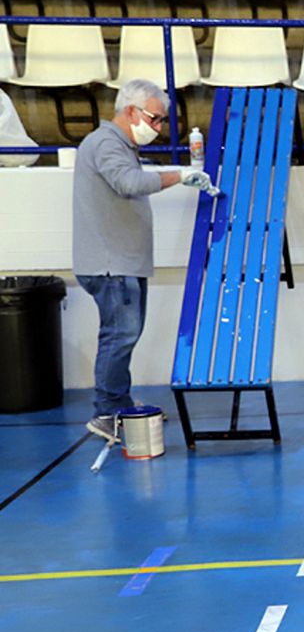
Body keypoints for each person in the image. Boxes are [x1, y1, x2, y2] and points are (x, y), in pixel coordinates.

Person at [72, 80, 211, 440]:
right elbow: (129, 183)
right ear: (131, 111)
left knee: (124, 335)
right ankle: (106, 413)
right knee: (119, 335)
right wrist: (178, 175)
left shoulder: (119, 146)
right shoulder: (105, 143)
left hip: (122, 261)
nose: (159, 128)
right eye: (155, 118)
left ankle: (119, 404)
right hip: (110, 263)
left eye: (162, 121)